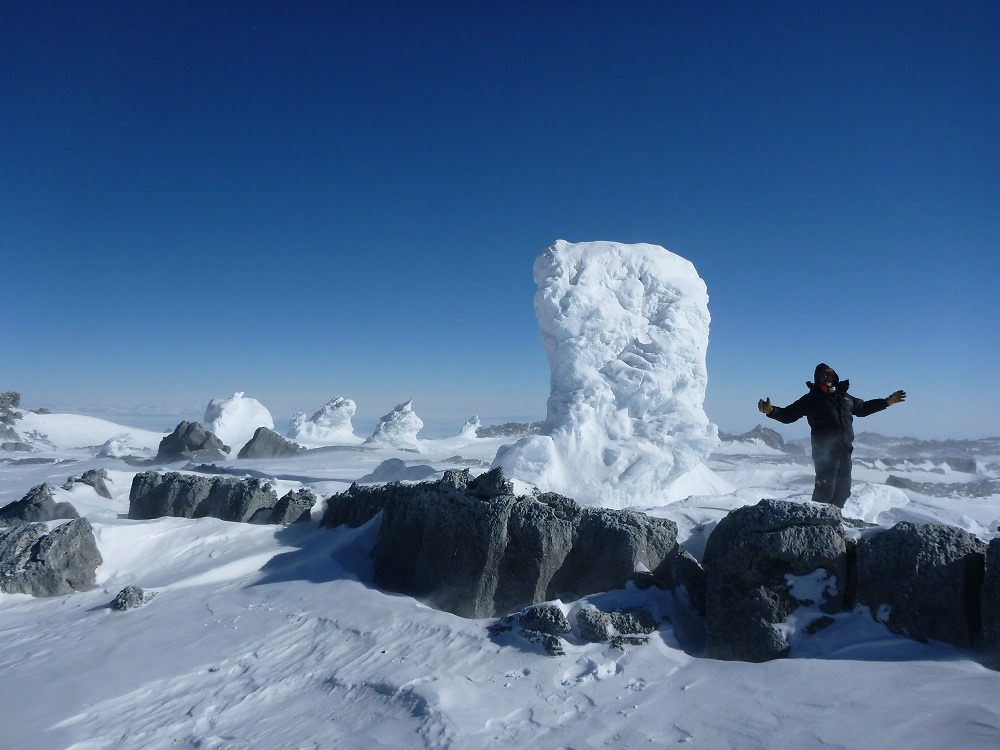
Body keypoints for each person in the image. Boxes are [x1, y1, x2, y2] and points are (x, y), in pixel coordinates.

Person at [757, 363, 906, 508]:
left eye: (829, 374)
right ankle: (814, 522)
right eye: (822, 375)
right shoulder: (812, 399)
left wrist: (887, 402)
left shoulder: (845, 397)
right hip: (825, 451)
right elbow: (788, 415)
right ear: (817, 379)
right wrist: (771, 411)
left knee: (843, 492)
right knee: (825, 490)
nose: (826, 377)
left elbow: (863, 408)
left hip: (845, 450)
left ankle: (831, 522)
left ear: (834, 376)